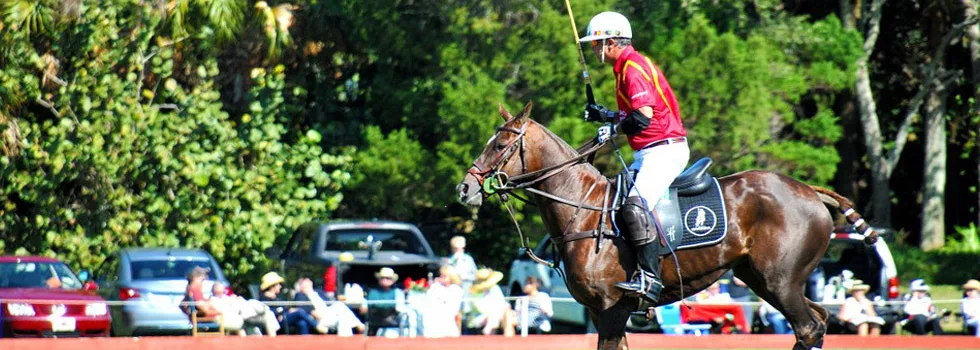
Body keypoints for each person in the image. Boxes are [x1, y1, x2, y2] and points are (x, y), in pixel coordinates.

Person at [578, 11, 690, 304]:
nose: (594, 50)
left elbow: (643, 117)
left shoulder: (632, 68)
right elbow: (634, 114)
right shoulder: (625, 67)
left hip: (663, 149)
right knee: (614, 206)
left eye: (596, 44)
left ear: (611, 41)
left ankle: (650, 279)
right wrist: (607, 116)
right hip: (649, 150)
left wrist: (611, 129)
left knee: (635, 206)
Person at [180, 267, 244, 335]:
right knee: (240, 323)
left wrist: (191, 314)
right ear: (196, 278)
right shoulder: (195, 289)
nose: (205, 278)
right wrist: (218, 311)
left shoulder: (190, 289)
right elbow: (205, 310)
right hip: (213, 317)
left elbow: (182, 304)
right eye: (203, 277)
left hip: (208, 315)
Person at [293, 277, 364, 336]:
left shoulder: (319, 292)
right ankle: (359, 325)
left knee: (342, 317)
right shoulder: (300, 295)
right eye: (305, 284)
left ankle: (346, 342)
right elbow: (303, 308)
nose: (308, 285)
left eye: (309, 283)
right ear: (301, 287)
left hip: (329, 313)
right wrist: (314, 313)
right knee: (339, 306)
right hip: (320, 318)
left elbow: (329, 303)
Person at [210, 281, 280, 336]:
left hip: (245, 314)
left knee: (266, 313)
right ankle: (262, 310)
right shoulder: (213, 300)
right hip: (238, 318)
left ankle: (263, 310)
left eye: (222, 289)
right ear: (214, 290)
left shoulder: (227, 297)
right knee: (261, 312)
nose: (222, 291)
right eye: (219, 289)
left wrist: (237, 299)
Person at [463, 268, 517, 336]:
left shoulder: (495, 288)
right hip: (480, 317)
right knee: (494, 318)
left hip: (499, 314)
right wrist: (495, 311)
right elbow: (480, 309)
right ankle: (488, 336)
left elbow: (503, 303)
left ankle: (509, 339)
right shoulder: (475, 293)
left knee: (508, 315)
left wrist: (502, 310)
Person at [359, 267, 409, 337]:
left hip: (393, 319)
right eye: (382, 278)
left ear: (392, 281)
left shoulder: (398, 292)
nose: (385, 280)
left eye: (388, 278)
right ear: (379, 279)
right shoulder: (372, 292)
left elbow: (399, 308)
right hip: (375, 319)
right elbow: (363, 309)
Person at [424, 265, 464, 337]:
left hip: (449, 324)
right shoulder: (436, 288)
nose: (441, 278)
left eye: (444, 276)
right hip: (435, 325)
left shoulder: (456, 290)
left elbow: (455, 310)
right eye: (441, 275)